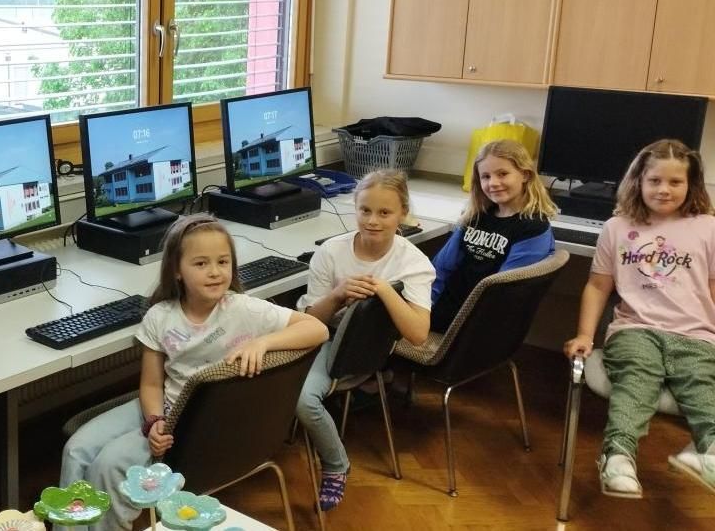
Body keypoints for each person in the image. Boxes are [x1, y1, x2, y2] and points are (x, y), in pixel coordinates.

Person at [60, 215, 328, 531]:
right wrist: (154, 421)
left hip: (193, 427)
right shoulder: (160, 317)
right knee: (77, 449)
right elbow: (151, 384)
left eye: (222, 262)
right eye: (200, 264)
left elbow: (318, 328)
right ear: (177, 269)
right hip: (162, 408)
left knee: (109, 463)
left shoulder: (243, 309)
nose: (214, 272)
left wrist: (264, 341)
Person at [564, 139, 715, 497]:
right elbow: (598, 286)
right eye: (655, 181)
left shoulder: (708, 227)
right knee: (636, 382)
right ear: (639, 182)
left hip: (695, 333)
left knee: (702, 386)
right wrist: (585, 335)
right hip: (635, 330)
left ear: (691, 185)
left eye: (675, 182)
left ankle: (710, 453)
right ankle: (617, 458)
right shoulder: (617, 227)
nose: (664, 190)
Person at [295, 169, 436, 511]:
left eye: (385, 213)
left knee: (303, 400)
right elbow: (311, 323)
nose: (373, 221)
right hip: (321, 335)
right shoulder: (331, 251)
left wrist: (385, 290)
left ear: (403, 213)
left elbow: (418, 336)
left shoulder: (413, 262)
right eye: (365, 211)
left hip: (360, 349)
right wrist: (339, 294)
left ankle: (336, 465)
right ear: (354, 209)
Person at [430, 139, 558, 332]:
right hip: (443, 310)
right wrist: (423, 305)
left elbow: (503, 292)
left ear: (524, 174)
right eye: (486, 176)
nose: (493, 183)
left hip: (474, 324)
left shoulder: (533, 229)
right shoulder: (476, 216)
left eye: (503, 174)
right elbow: (440, 268)